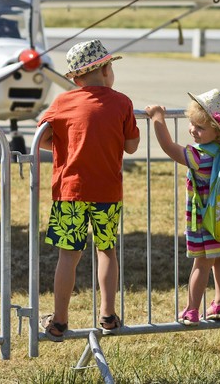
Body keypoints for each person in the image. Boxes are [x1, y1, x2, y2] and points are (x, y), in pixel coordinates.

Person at [37, 39, 140, 342]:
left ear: (74, 78)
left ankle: (59, 320)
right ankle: (107, 314)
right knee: (106, 249)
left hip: (70, 192)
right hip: (108, 192)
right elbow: (132, 146)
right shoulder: (122, 102)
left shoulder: (63, 102)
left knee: (68, 256)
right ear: (107, 70)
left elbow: (42, 139)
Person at [145, 89, 220, 325]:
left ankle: (191, 310)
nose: (192, 131)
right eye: (191, 124)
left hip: (204, 222)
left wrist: (157, 117)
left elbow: (168, 147)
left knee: (201, 264)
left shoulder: (199, 156)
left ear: (217, 131)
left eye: (200, 128)